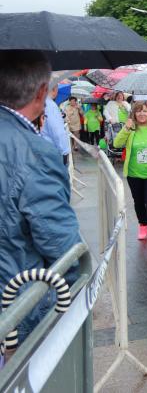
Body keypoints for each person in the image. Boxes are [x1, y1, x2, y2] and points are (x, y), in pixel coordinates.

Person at [0, 51, 83, 348]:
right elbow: (61, 244)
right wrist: (78, 289)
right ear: (40, 93)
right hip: (15, 306)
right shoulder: (33, 152)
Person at [114, 102, 147, 246]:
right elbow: (117, 144)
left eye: (145, 111)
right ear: (134, 114)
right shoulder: (130, 129)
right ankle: (143, 225)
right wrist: (126, 128)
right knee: (139, 201)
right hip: (134, 174)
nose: (142, 114)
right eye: (139, 111)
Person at [41, 82, 70, 165]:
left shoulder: (39, 103)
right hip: (53, 151)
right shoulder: (50, 105)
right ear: (54, 89)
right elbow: (58, 132)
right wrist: (65, 151)